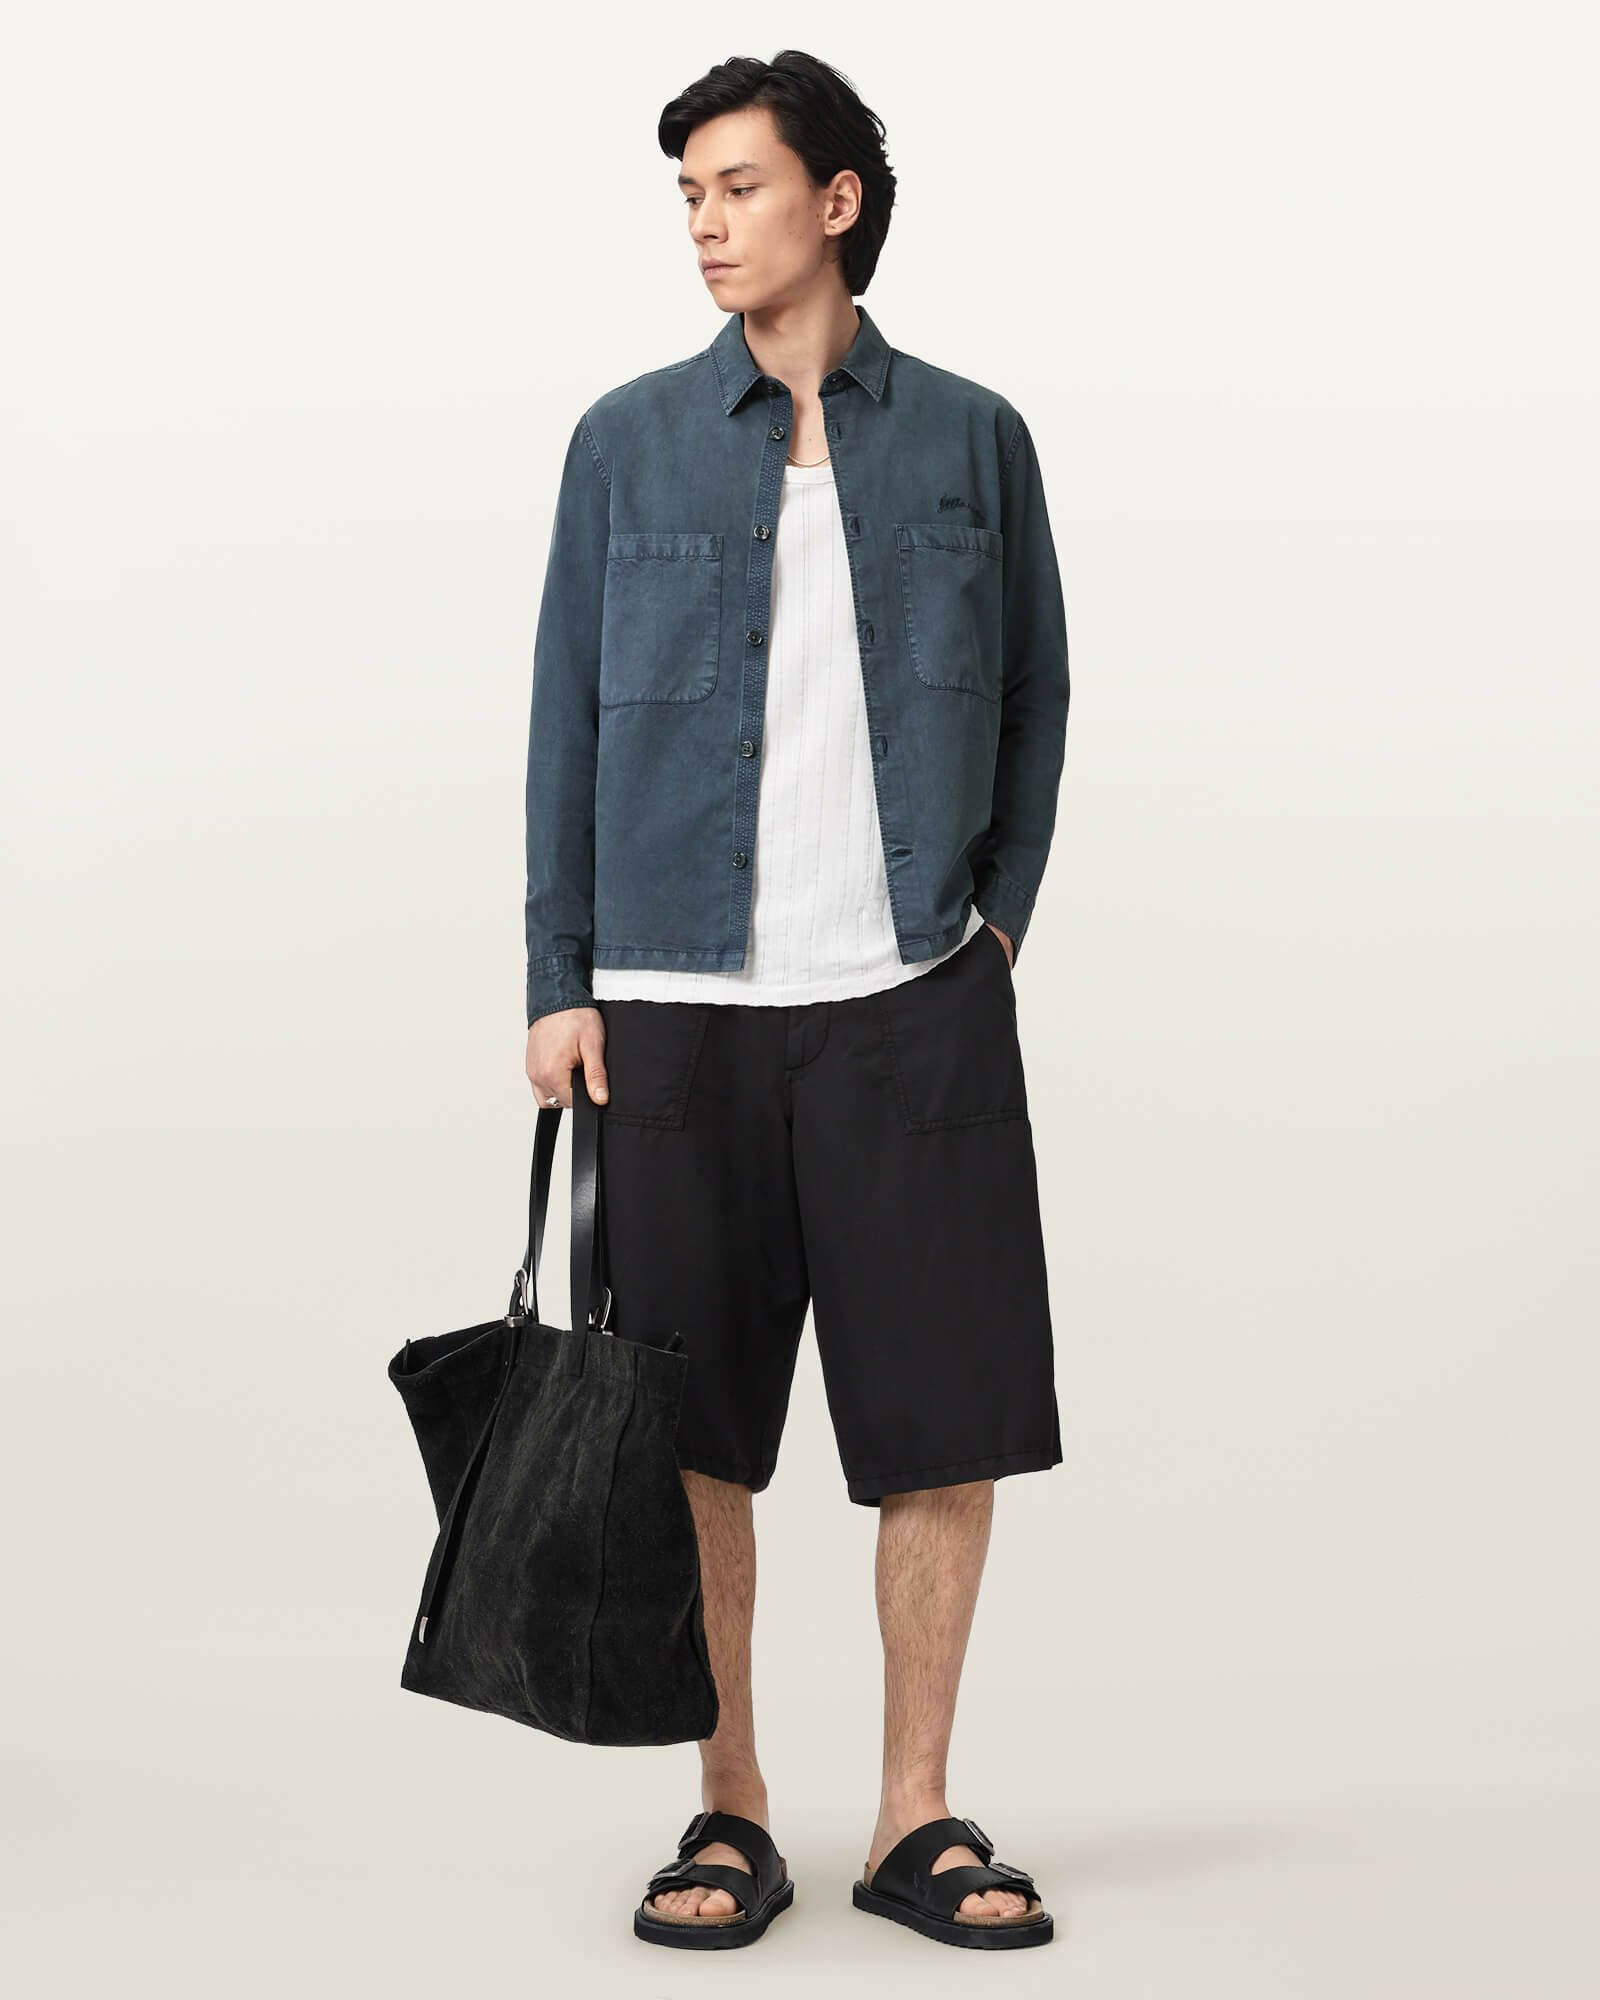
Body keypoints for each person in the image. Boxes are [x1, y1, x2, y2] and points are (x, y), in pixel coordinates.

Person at [522, 50, 1069, 1954]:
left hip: (913, 999)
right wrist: (557, 979)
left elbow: (1038, 695)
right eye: (688, 193)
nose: (704, 223)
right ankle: (731, 1801)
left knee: (945, 1418)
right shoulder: (627, 442)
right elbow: (563, 718)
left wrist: (995, 929)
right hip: (674, 1012)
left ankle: (916, 1812)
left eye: (737, 186)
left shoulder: (976, 439)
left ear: (837, 201)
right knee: (690, 1433)